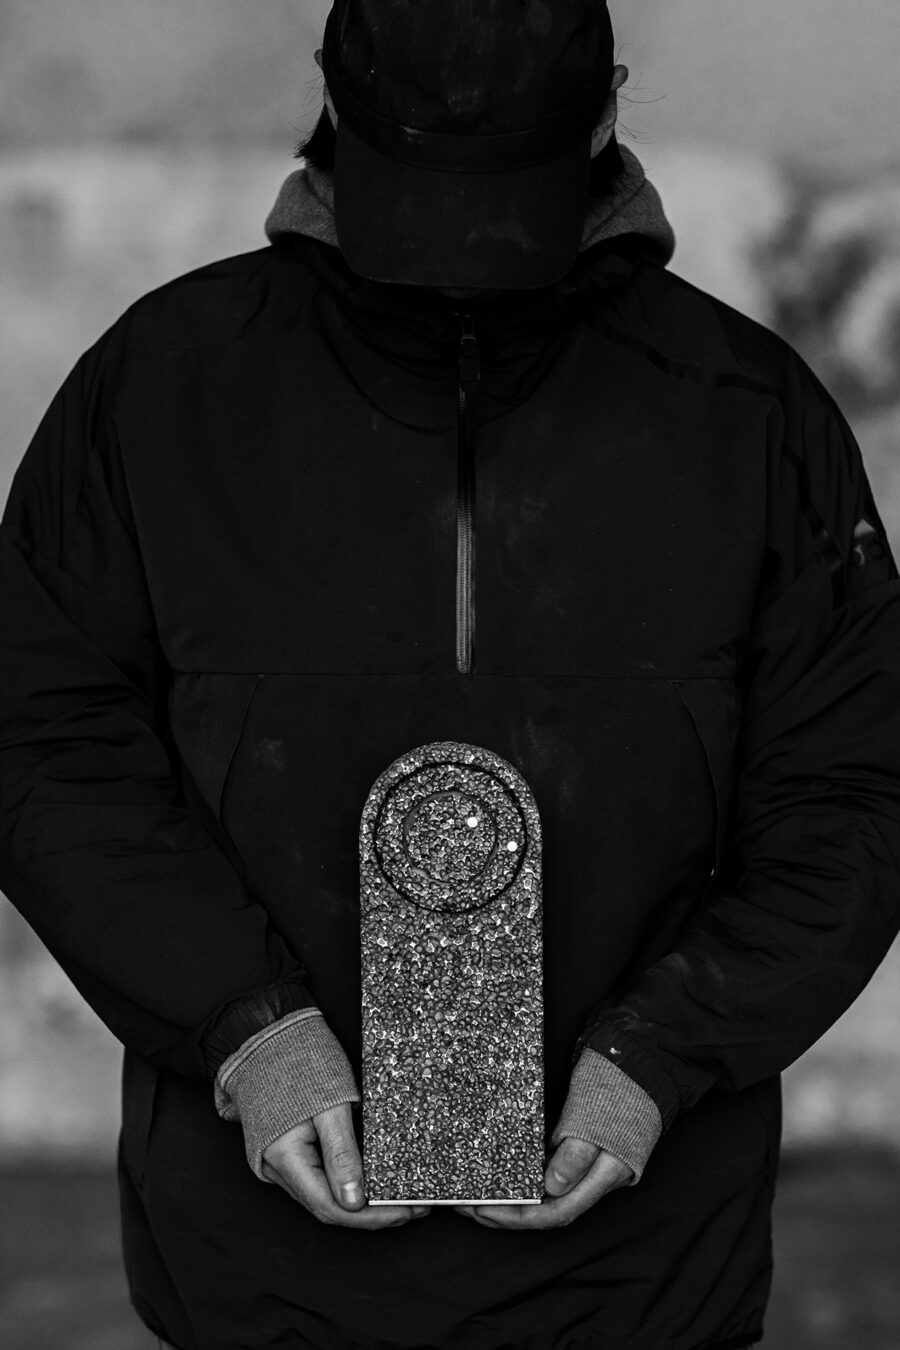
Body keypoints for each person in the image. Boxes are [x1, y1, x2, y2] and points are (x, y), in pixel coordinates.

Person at [1, 1, 899, 1347]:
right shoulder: (158, 388)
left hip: (644, 1267)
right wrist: (243, 1028)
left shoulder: (748, 413)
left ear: (606, 110)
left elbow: (854, 790)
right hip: (256, 1271)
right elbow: (43, 741)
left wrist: (664, 1054)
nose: (460, 273)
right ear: (331, 103)